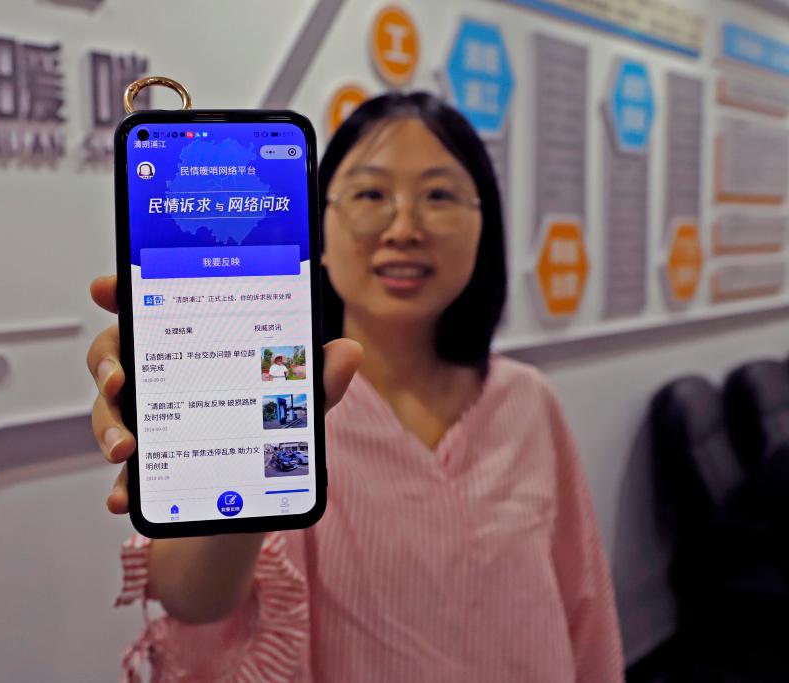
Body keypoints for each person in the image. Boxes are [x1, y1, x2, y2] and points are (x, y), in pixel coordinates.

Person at [86, 92, 624, 681]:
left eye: (439, 196)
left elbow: (585, 609)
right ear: (316, 227)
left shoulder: (527, 401)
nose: (404, 229)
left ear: (484, 224)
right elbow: (195, 599)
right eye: (370, 195)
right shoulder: (289, 398)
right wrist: (219, 409)